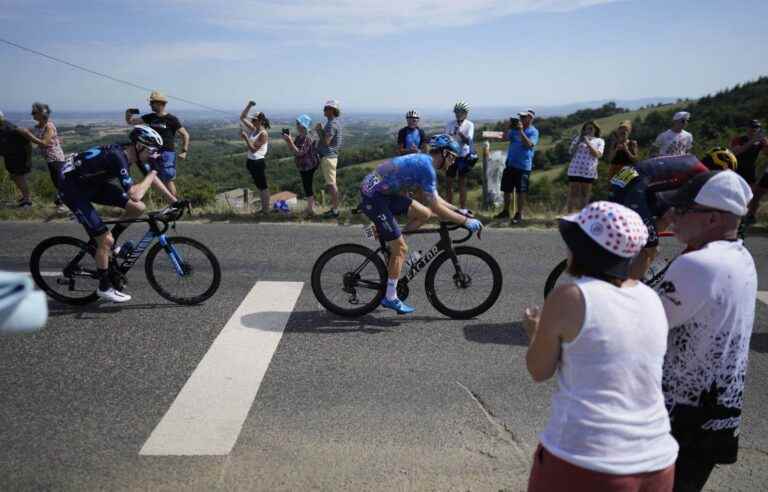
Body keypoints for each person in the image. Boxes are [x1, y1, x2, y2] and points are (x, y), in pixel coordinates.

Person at [522, 201, 677, 492]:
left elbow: (538, 370)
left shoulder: (570, 297)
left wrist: (535, 331)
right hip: (657, 459)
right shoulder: (649, 297)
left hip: (588, 460)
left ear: (582, 248)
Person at [657, 171, 757, 492]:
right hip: (717, 417)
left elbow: (642, 325)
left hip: (679, 419)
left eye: (682, 211)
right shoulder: (740, 256)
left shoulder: (699, 264)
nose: (672, 217)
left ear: (712, 218)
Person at [359, 134, 482, 314]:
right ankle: (390, 296)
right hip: (374, 196)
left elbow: (435, 200)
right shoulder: (426, 167)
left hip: (383, 192)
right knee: (401, 249)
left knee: (424, 213)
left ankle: (393, 242)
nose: (453, 163)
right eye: (453, 158)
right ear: (445, 153)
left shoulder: (426, 163)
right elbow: (437, 207)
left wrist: (458, 210)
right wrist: (465, 221)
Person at [58, 125, 177, 303]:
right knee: (105, 240)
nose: (153, 155)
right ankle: (104, 287)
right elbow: (136, 192)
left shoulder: (131, 152)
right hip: (73, 190)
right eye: (152, 150)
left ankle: (110, 246)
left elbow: (152, 179)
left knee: (137, 208)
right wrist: (152, 174)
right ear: (139, 146)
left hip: (92, 184)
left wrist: (173, 200)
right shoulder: (118, 157)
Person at [610, 148, 737, 280]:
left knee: (667, 216)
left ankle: (636, 249)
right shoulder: (702, 173)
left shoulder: (691, 160)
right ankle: (626, 288)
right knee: (651, 250)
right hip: (635, 188)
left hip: (626, 178)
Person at [125, 91, 189, 198]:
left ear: (160, 103)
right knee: (154, 178)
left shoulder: (171, 119)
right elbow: (131, 122)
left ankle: (176, 203)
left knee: (167, 180)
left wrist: (184, 151)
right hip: (152, 152)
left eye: (152, 103)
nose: (150, 105)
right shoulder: (150, 117)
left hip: (167, 153)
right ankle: (171, 203)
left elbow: (185, 134)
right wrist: (128, 114)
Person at [495, 110, 539, 224]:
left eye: (524, 117)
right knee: (507, 190)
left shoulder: (533, 131)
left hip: (523, 166)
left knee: (521, 191)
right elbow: (504, 138)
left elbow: (529, 145)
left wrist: (521, 131)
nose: (521, 119)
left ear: (530, 118)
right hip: (510, 163)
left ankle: (519, 214)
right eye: (520, 117)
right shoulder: (514, 130)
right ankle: (505, 211)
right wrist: (507, 127)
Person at [282, 114, 319, 215]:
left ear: (303, 125)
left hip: (308, 166)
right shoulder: (299, 137)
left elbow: (299, 152)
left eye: (298, 123)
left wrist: (289, 140)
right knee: (307, 185)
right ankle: (310, 207)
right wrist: (288, 141)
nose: (296, 125)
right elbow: (293, 150)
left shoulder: (307, 137)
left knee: (307, 186)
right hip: (303, 166)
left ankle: (311, 209)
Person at [732, 120, 768, 225]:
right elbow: (736, 152)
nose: (754, 130)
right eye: (752, 127)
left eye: (757, 128)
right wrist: (752, 141)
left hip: (750, 171)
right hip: (737, 170)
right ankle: (732, 216)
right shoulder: (739, 139)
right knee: (736, 194)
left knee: (749, 196)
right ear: (747, 128)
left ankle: (744, 217)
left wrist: (766, 144)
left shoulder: (760, 141)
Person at [25, 102, 65, 192]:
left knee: (58, 180)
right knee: (56, 180)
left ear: (41, 114)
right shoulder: (39, 126)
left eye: (34, 112)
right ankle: (61, 200)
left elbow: (44, 143)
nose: (32, 114)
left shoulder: (49, 126)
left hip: (55, 157)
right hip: (49, 158)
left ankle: (63, 201)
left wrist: (27, 135)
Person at [239, 101, 271, 214]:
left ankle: (266, 209)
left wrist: (246, 138)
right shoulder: (254, 129)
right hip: (252, 161)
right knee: (260, 186)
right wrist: (249, 105)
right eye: (252, 120)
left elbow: (253, 149)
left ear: (260, 121)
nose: (252, 121)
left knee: (263, 186)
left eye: (254, 120)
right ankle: (264, 209)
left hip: (258, 162)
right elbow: (242, 117)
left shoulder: (263, 134)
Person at [566, 121, 604, 212]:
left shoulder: (599, 141)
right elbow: (571, 152)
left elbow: (598, 155)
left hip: (589, 171)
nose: (589, 130)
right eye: (587, 128)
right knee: (573, 193)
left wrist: (588, 142)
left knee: (585, 194)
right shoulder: (578, 139)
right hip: (575, 170)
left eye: (591, 128)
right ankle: (569, 215)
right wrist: (579, 141)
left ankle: (582, 216)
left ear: (595, 130)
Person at [445, 101, 476, 209]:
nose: (458, 114)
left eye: (460, 112)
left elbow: (469, 141)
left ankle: (463, 208)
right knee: (449, 183)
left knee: (462, 183)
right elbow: (446, 139)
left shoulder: (469, 124)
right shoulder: (450, 124)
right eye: (456, 112)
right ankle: (450, 208)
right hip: (451, 156)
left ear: (466, 113)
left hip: (463, 156)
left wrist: (460, 133)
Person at [315, 99, 343, 218]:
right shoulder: (334, 122)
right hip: (330, 157)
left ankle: (335, 210)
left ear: (332, 110)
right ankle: (334, 208)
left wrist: (319, 130)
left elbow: (326, 142)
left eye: (326, 108)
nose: (324, 110)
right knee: (331, 184)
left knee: (331, 184)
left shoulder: (332, 124)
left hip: (328, 157)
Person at [0, 110, 33, 207]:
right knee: (15, 177)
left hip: (19, 157)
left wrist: (28, 159)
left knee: (19, 177)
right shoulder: (4, 127)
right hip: (11, 157)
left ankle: (27, 200)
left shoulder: (9, 128)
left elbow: (27, 140)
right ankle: (25, 196)